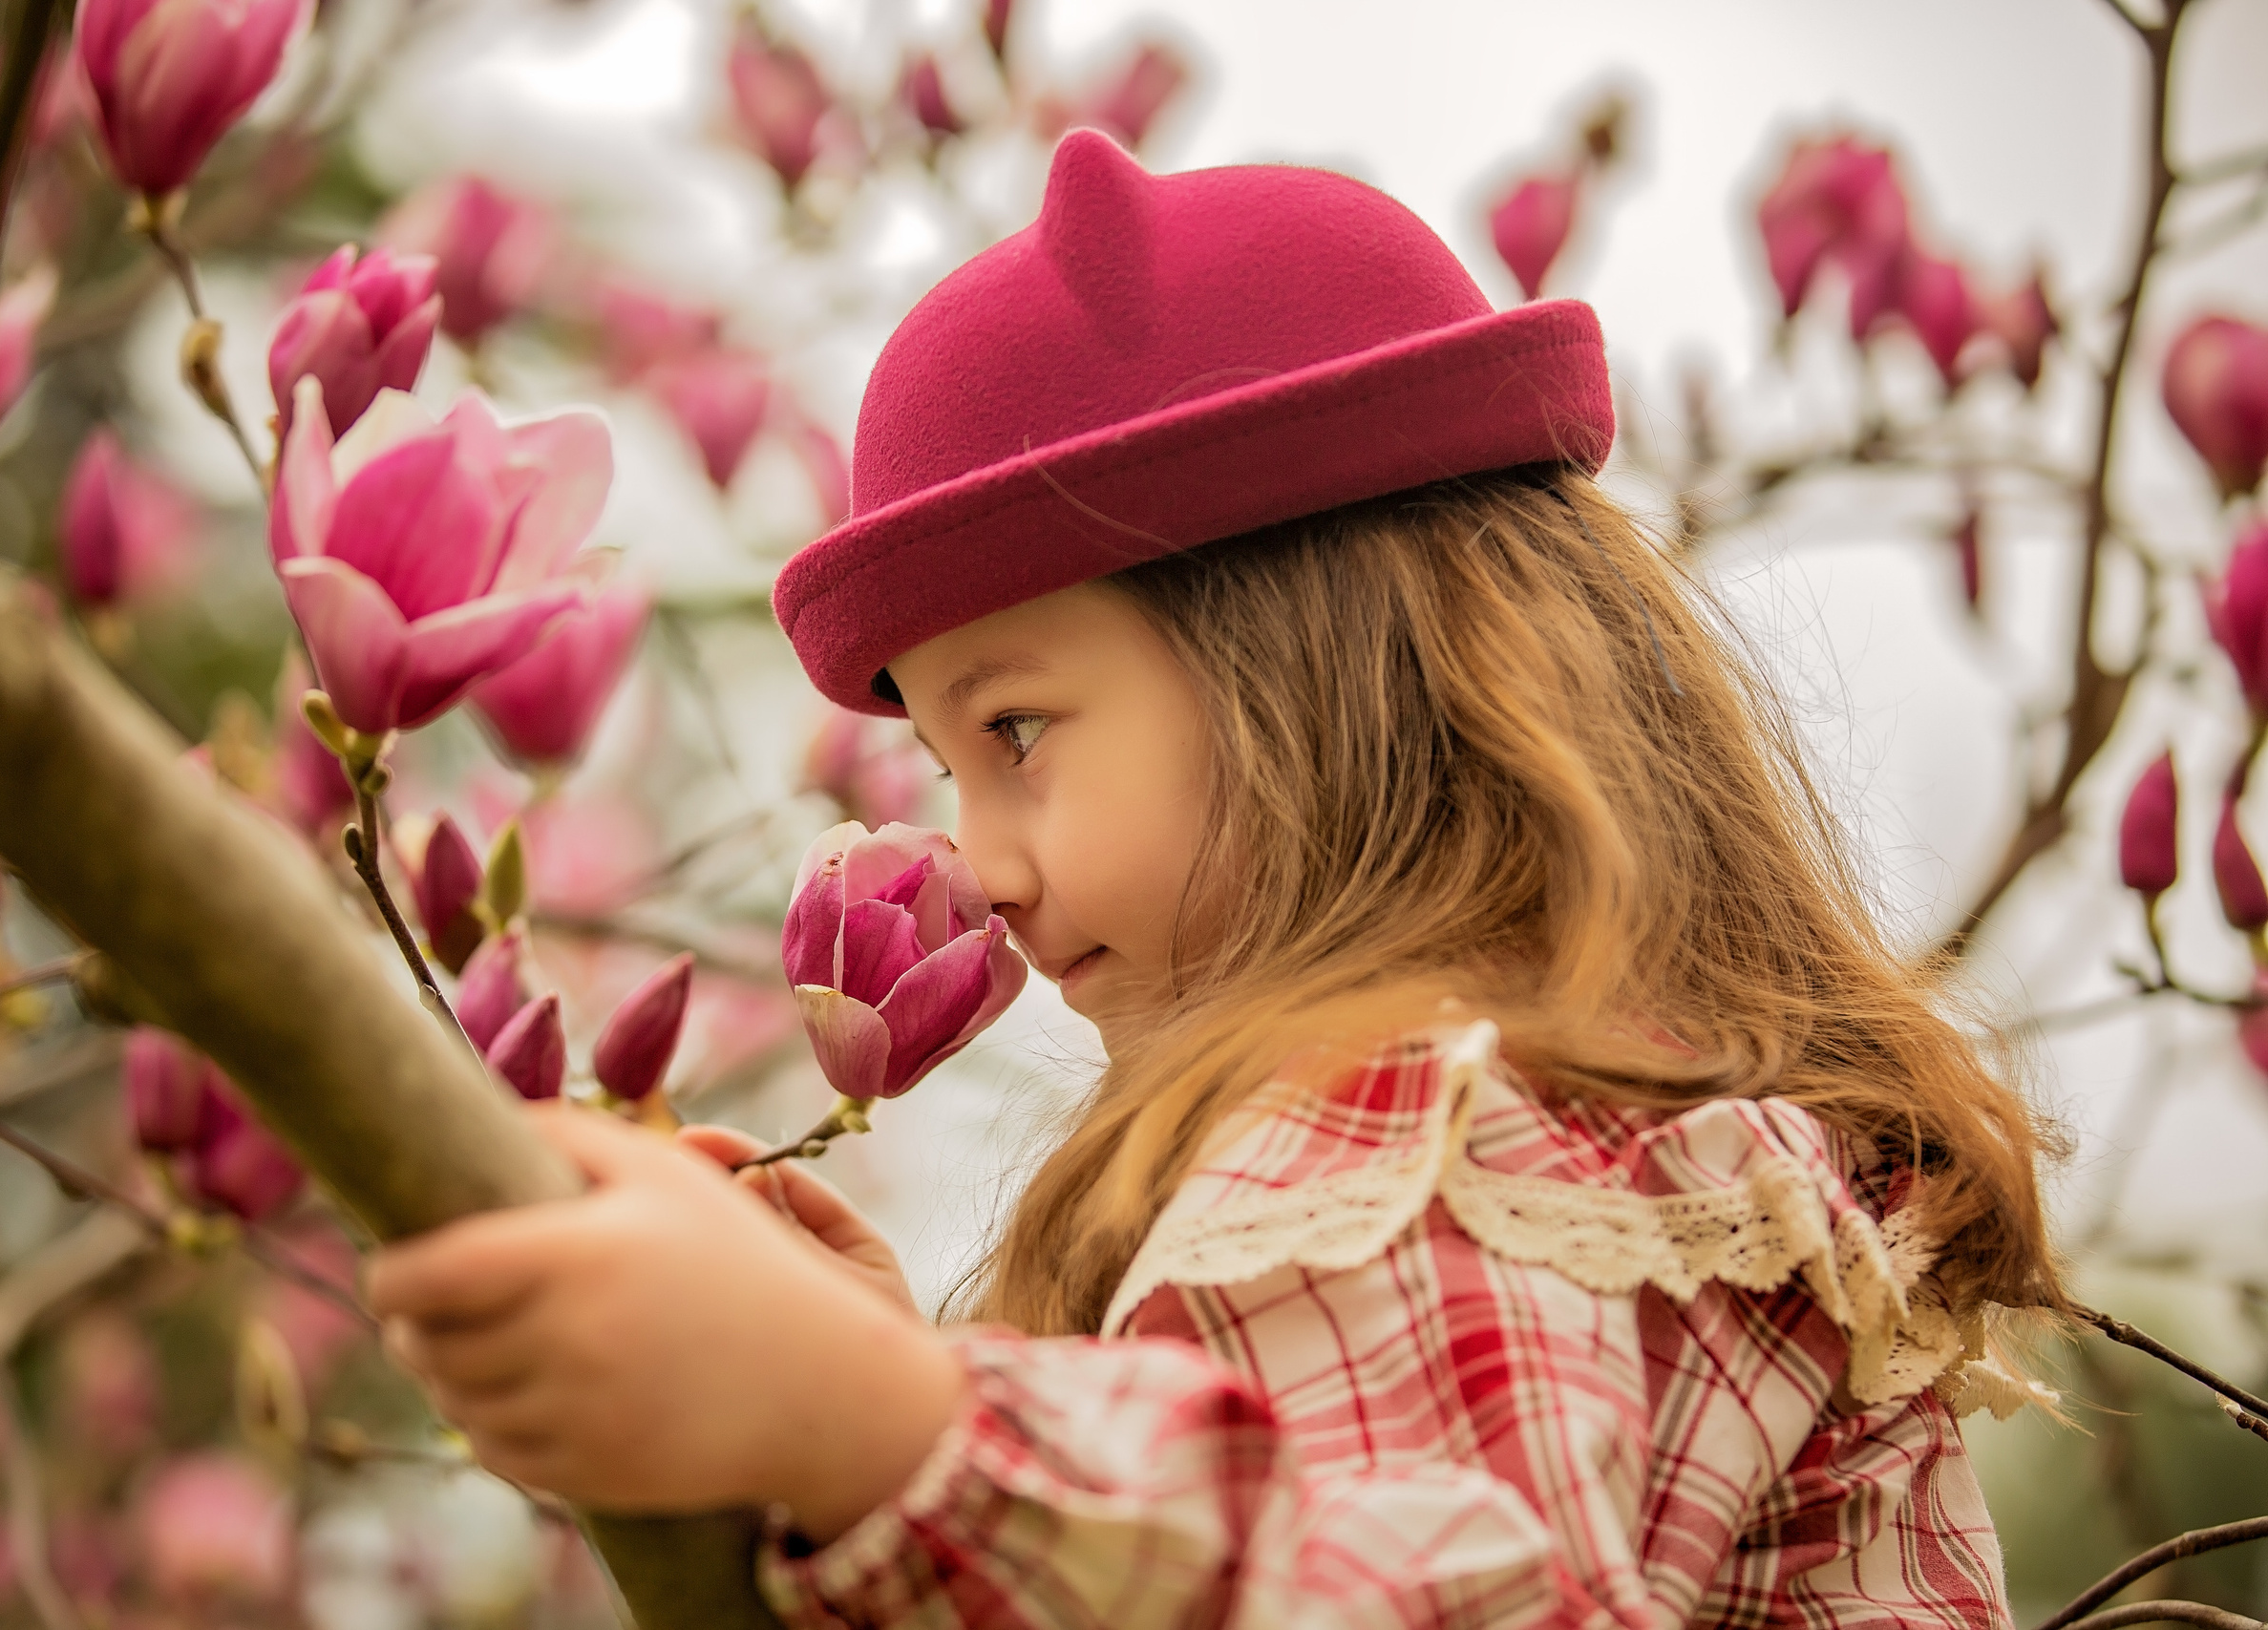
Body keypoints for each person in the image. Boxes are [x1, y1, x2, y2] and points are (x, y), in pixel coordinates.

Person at [365, 129, 2066, 1627]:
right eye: (947, 770)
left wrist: (877, 1427)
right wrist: (958, 1397)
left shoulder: (1434, 1138)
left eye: (1017, 728)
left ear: (1322, 668)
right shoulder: (1605, 1122)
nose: (979, 868)